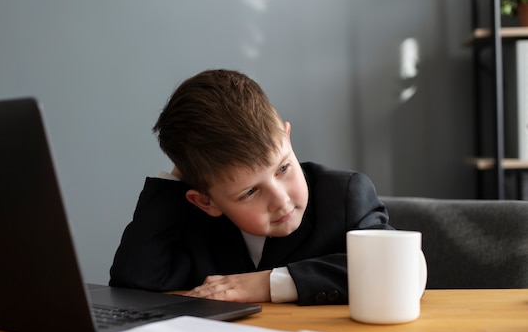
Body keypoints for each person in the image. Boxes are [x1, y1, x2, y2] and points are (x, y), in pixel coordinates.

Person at [110, 69, 392, 305]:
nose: (281, 200)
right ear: (207, 203)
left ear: (287, 136)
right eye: (249, 192)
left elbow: (395, 267)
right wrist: (178, 177)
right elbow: (135, 282)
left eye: (283, 168)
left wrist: (267, 284)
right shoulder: (193, 221)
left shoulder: (344, 194)